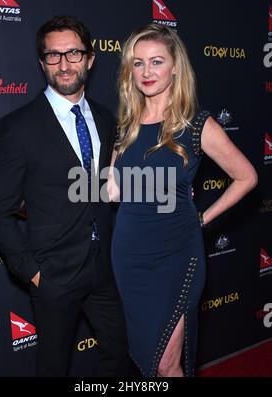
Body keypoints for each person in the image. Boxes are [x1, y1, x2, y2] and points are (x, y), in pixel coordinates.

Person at [107, 23, 258, 377]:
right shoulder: (126, 125)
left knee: (167, 362)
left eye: (156, 61)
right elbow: (111, 190)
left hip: (176, 255)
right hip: (129, 255)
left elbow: (247, 176)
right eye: (138, 63)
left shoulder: (196, 125)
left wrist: (202, 218)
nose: (146, 72)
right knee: (146, 360)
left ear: (175, 67)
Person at [0, 15, 129, 377]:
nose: (64, 65)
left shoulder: (104, 117)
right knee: (53, 366)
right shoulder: (18, 127)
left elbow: (108, 187)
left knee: (118, 354)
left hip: (104, 267)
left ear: (91, 59)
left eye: (74, 54)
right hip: (53, 275)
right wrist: (32, 273)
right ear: (42, 62)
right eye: (54, 56)